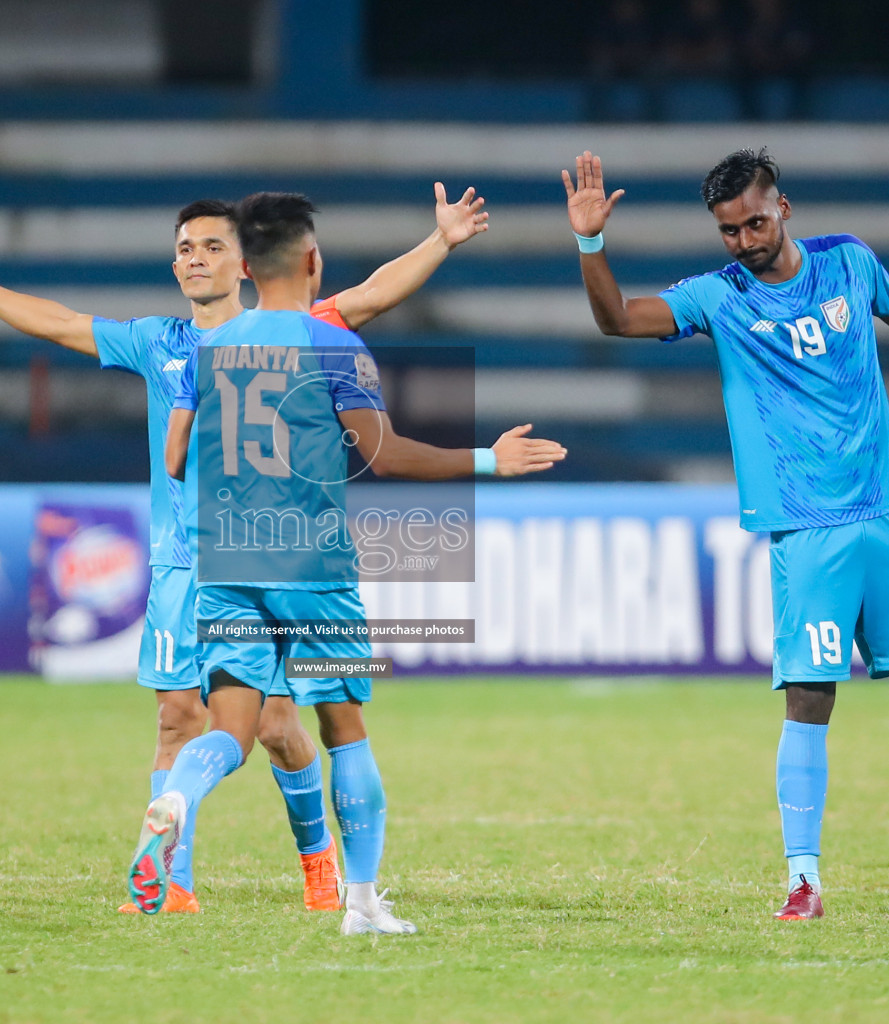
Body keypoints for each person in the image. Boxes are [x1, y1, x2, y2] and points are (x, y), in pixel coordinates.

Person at [0, 184, 489, 914]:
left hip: (268, 557)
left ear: (245, 263)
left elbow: (375, 294)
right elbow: (61, 323)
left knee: (282, 729)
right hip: (183, 562)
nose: (196, 259)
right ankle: (167, 882)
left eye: (213, 247)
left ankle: (318, 861)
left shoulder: (295, 325)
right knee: (176, 718)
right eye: (186, 248)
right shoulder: (160, 342)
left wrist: (440, 241)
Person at [561, 148, 889, 919]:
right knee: (811, 696)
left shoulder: (850, 262)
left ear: (783, 207)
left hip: (886, 510)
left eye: (754, 221)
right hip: (807, 527)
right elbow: (618, 318)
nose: (745, 240)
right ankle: (803, 882)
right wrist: (590, 242)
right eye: (729, 231)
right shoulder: (718, 297)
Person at [135, 192, 566, 935]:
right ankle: (361, 905)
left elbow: (175, 458)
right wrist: (487, 460)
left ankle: (177, 801)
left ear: (244, 264)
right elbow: (386, 455)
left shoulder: (206, 348)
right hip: (311, 565)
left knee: (230, 727)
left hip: (226, 560)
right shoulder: (331, 345)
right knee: (342, 724)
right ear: (312, 261)